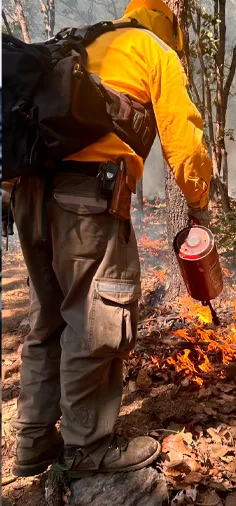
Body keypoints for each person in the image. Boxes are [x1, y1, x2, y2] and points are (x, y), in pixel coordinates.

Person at [11, 0, 212, 478]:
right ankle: (88, 447)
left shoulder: (79, 41)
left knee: (48, 319)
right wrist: (199, 204)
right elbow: (183, 139)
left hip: (28, 197)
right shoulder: (153, 49)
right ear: (169, 27)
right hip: (87, 200)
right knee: (98, 321)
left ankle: (33, 441)